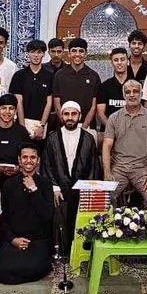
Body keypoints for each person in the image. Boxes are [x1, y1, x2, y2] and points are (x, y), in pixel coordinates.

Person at [0, 143, 55, 284]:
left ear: (38, 160)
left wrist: (34, 190)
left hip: (37, 239)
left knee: (35, 268)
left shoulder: (45, 184)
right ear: (19, 160)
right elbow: (3, 218)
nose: (29, 161)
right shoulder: (9, 184)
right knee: (2, 271)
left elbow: (47, 215)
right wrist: (12, 240)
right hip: (14, 238)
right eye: (25, 157)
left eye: (32, 157)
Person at [43, 101, 99, 253]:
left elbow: (93, 167)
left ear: (79, 116)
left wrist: (87, 190)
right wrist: (54, 187)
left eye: (73, 114)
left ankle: (79, 251)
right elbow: (47, 165)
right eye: (66, 114)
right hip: (59, 189)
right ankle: (62, 251)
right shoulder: (52, 138)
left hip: (81, 190)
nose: (70, 117)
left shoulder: (88, 138)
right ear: (61, 116)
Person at [102, 80, 147, 210]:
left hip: (142, 169)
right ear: (124, 95)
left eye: (135, 91)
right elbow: (107, 146)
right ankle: (113, 221)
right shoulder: (114, 118)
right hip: (119, 168)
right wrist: (107, 172)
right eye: (128, 92)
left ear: (141, 94)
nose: (132, 95)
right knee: (106, 197)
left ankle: (143, 221)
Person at [52, 37, 102, 130]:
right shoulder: (59, 75)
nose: (77, 54)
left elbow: (94, 106)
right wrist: (66, 124)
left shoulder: (94, 76)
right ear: (69, 54)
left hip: (87, 127)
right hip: (64, 126)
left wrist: (84, 128)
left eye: (81, 51)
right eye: (74, 51)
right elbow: (57, 104)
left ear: (86, 54)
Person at [11, 39, 53, 140]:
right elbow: (19, 102)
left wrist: (42, 126)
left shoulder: (50, 76)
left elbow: (49, 102)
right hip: (22, 123)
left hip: (41, 125)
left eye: (39, 52)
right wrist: (22, 127)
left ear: (43, 54)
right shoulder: (19, 76)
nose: (36, 55)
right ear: (28, 54)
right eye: (32, 52)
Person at [95, 47, 131, 126]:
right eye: (116, 60)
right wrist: (112, 129)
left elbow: (141, 111)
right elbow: (100, 113)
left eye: (122, 59)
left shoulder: (135, 85)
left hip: (132, 131)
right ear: (111, 63)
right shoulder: (104, 86)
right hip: (109, 130)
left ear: (128, 61)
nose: (119, 63)